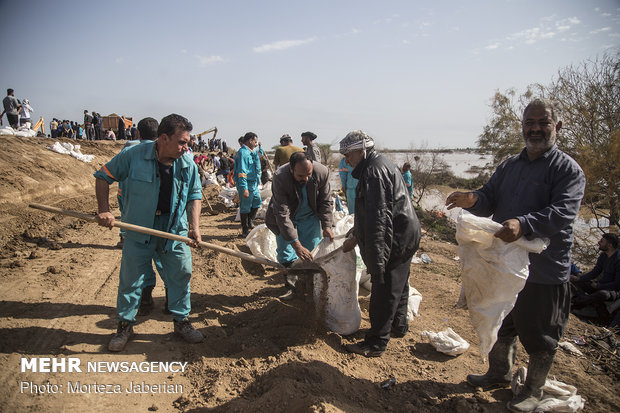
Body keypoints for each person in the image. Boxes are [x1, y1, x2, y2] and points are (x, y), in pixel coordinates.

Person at [445, 98, 586, 413]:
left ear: (557, 127)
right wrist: (472, 199)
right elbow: (489, 197)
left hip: (544, 270)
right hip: (506, 265)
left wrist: (524, 224)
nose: (535, 129)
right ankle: (499, 372)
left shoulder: (567, 170)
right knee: (504, 321)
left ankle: (532, 390)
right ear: (522, 126)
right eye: (529, 123)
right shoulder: (510, 165)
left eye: (542, 123)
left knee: (541, 335)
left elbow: (562, 213)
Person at [94, 113, 204, 352]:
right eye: (182, 142)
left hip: (174, 229)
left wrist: (195, 228)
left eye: (188, 142)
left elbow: (195, 195)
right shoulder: (132, 156)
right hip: (139, 229)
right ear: (163, 138)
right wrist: (104, 211)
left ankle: (181, 322)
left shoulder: (187, 163)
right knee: (132, 280)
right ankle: (125, 326)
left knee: (180, 273)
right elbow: (102, 176)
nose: (187, 147)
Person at [339, 130, 421, 357]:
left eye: (349, 155)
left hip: (396, 237)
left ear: (362, 151)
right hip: (405, 233)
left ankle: (375, 342)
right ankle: (398, 325)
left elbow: (379, 221)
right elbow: (373, 212)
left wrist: (377, 264)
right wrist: (357, 232)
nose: (347, 160)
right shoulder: (378, 164)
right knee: (400, 284)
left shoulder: (374, 172)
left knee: (383, 289)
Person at [265, 151, 334, 300]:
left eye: (308, 175)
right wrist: (295, 244)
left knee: (311, 252)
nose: (306, 179)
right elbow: (282, 213)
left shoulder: (322, 172)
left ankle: (309, 286)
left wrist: (327, 225)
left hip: (310, 216)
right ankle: (291, 287)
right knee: (286, 252)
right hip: (287, 217)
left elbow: (325, 201)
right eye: (300, 176)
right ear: (291, 169)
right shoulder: (280, 177)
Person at [571, 233, 620, 319]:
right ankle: (585, 303)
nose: (598, 242)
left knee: (603, 294)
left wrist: (599, 286)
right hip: (600, 285)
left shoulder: (618, 259)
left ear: (609, 245)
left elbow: (617, 284)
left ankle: (577, 303)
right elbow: (595, 272)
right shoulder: (603, 256)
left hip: (612, 291)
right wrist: (579, 278)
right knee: (576, 282)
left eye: (601, 241)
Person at [234, 132, 262, 236]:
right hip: (246, 184)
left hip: (253, 184)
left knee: (257, 202)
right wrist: (244, 188)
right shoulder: (243, 153)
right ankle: (244, 229)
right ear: (250, 141)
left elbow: (258, 158)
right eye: (255, 141)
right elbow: (242, 172)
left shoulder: (251, 152)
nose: (256, 144)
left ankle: (250, 221)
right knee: (245, 207)